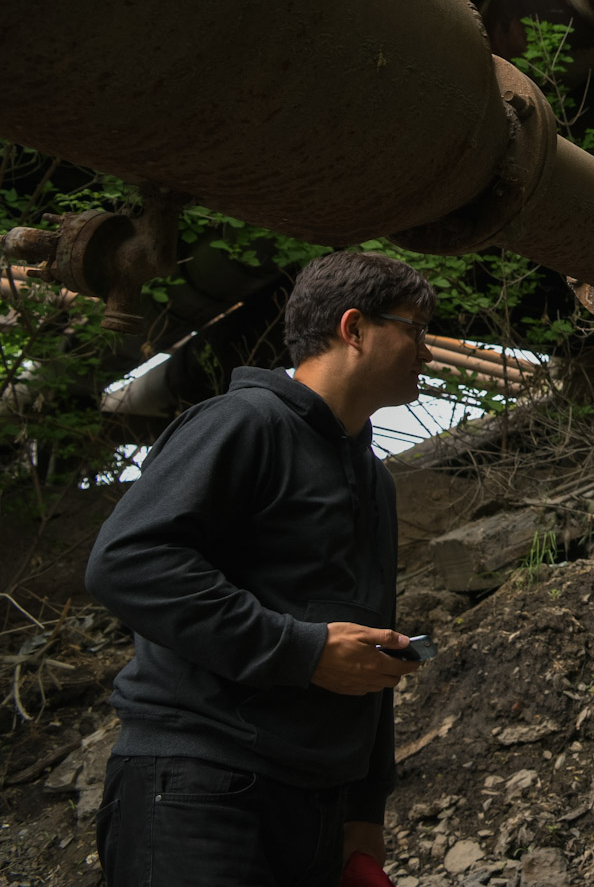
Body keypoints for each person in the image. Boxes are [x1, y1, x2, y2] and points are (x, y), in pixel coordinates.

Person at [87, 251, 437, 886]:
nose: (428, 350)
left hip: (317, 811)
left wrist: (364, 810)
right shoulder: (243, 422)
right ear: (353, 329)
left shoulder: (375, 479)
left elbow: (366, 643)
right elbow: (128, 562)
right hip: (199, 791)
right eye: (415, 328)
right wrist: (301, 650)